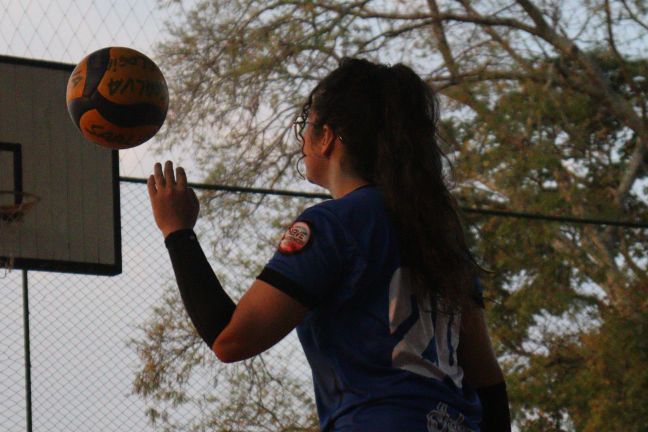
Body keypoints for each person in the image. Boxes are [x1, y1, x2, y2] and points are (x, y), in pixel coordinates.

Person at [147, 58, 511, 431]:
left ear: (328, 137)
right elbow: (488, 382)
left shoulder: (334, 224)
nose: (302, 138)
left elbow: (230, 339)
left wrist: (178, 231)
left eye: (307, 125)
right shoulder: (439, 232)